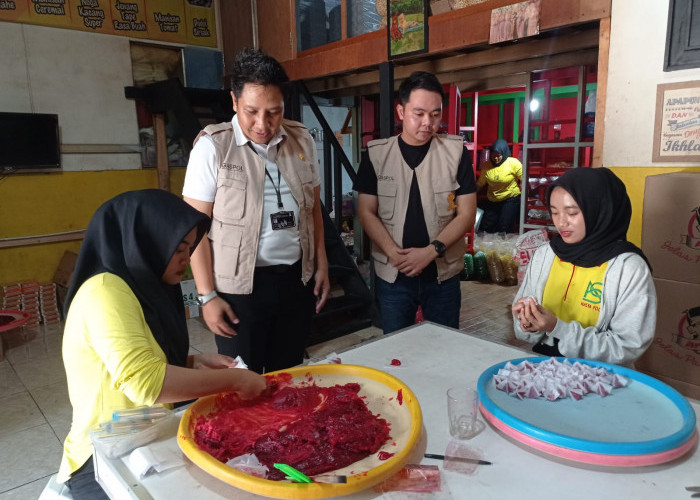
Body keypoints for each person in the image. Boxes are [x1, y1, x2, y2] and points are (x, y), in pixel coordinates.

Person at [57, 190, 267, 499]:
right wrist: (235, 380)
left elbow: (141, 360)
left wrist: (192, 363)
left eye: (190, 248)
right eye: (178, 248)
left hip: (145, 433)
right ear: (146, 241)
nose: (186, 258)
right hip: (102, 457)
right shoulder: (105, 292)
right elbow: (146, 383)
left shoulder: (143, 286)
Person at [183, 48, 329, 374]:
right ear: (234, 102)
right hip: (239, 293)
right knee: (243, 382)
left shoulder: (302, 141)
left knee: (288, 377)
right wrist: (206, 297)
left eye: (274, 112)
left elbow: (313, 212)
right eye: (251, 111)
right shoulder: (212, 148)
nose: (263, 124)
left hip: (295, 281)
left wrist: (322, 266)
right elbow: (192, 232)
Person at [355, 71, 477, 334]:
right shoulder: (377, 155)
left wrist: (430, 251)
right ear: (400, 111)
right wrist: (393, 253)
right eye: (419, 113)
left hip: (442, 275)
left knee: (443, 347)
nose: (428, 122)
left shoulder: (456, 153)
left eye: (435, 114)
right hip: (393, 275)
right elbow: (366, 212)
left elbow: (466, 214)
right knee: (397, 349)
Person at [512, 167, 656, 366]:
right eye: (554, 212)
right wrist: (528, 323)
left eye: (572, 213)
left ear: (600, 210)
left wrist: (557, 328)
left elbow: (627, 347)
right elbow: (525, 331)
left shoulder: (628, 268)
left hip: (600, 376)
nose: (561, 223)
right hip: (544, 367)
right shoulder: (546, 254)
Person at [476, 138, 522, 233]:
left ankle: (505, 247)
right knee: (487, 227)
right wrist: (470, 195)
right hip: (493, 199)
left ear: (504, 153)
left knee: (504, 227)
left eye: (498, 156)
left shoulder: (513, 163)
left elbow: (525, 179)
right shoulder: (486, 166)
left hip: (510, 198)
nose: (496, 158)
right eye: (493, 155)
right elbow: (480, 184)